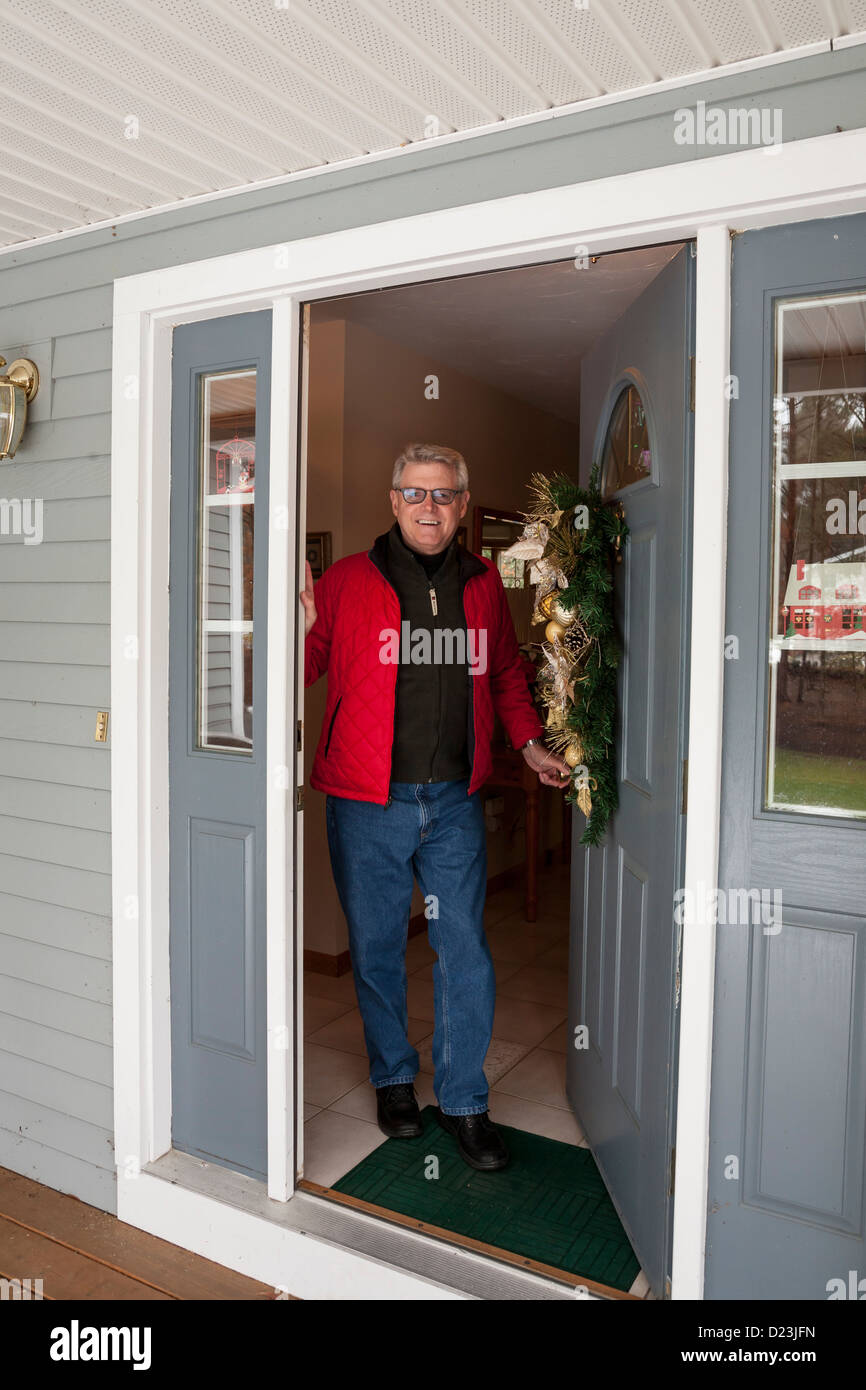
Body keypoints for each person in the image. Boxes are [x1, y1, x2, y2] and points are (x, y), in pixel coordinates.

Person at [301, 443, 571, 1171]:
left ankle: (463, 1100)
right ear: (393, 501)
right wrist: (289, 625)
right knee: (379, 948)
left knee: (465, 953)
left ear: (460, 505)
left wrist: (529, 744)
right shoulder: (348, 582)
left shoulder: (483, 585)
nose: (430, 507)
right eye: (416, 494)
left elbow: (507, 674)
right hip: (367, 801)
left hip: (453, 801)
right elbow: (303, 668)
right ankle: (393, 1078)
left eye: (444, 495)